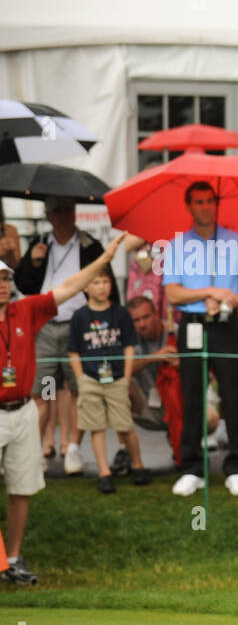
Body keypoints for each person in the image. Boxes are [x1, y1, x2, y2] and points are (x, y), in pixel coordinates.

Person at [0, 236, 125, 585]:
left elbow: (69, 286)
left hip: (23, 409)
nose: (4, 286)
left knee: (22, 487)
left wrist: (105, 260)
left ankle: (12, 559)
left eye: (7, 279)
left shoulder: (24, 310)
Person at [163, 182, 238, 498]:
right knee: (192, 397)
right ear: (189, 206)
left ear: (216, 204)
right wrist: (209, 291)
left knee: (233, 396)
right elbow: (173, 293)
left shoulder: (235, 241)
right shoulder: (178, 245)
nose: (205, 206)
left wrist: (232, 299)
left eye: (210, 201)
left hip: (226, 323)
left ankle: (236, 467)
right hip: (192, 323)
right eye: (199, 202)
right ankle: (193, 468)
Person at [13, 196, 118, 474]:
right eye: (57, 210)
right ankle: (36, 450)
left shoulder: (89, 245)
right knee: (43, 390)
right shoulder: (40, 243)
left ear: (75, 212)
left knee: (76, 390)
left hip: (79, 325)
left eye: (68, 209)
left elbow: (106, 282)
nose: (63, 215)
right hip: (46, 328)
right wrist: (34, 263)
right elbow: (22, 284)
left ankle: (72, 447)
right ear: (48, 215)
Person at [67, 271, 149, 492]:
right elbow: (73, 351)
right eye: (96, 282)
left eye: (105, 282)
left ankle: (138, 465)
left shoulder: (120, 314)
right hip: (91, 379)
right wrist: (81, 379)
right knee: (97, 427)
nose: (102, 287)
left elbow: (129, 346)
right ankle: (104, 472)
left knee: (125, 425)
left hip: (117, 378)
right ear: (85, 287)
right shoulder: (80, 317)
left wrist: (126, 376)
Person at [126, 295, 184, 470]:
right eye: (136, 320)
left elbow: (201, 369)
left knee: (211, 419)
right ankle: (127, 453)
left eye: (146, 317)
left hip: (179, 403)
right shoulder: (130, 339)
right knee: (118, 387)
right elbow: (122, 370)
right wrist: (154, 357)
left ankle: (185, 444)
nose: (142, 324)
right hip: (147, 407)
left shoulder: (177, 331)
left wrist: (182, 364)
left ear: (156, 314)